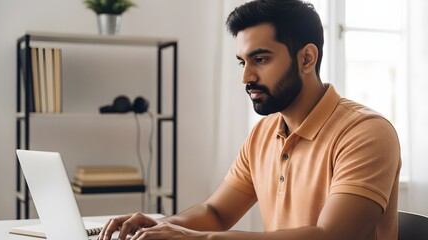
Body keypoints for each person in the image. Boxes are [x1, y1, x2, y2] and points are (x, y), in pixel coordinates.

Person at [98, 0, 401, 239]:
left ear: (307, 58)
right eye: (243, 62)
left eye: (261, 59)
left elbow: (331, 236)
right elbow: (215, 213)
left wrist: (192, 238)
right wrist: (158, 227)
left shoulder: (366, 133)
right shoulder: (264, 133)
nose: (246, 76)